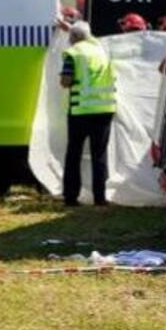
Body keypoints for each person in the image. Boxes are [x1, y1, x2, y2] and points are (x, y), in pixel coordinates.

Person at [60, 21, 116, 207]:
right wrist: (69, 27)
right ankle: (100, 198)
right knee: (99, 155)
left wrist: (64, 79)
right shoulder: (101, 50)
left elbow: (66, 81)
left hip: (81, 111)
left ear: (74, 38)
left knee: (74, 154)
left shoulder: (74, 53)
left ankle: (71, 197)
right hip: (104, 110)